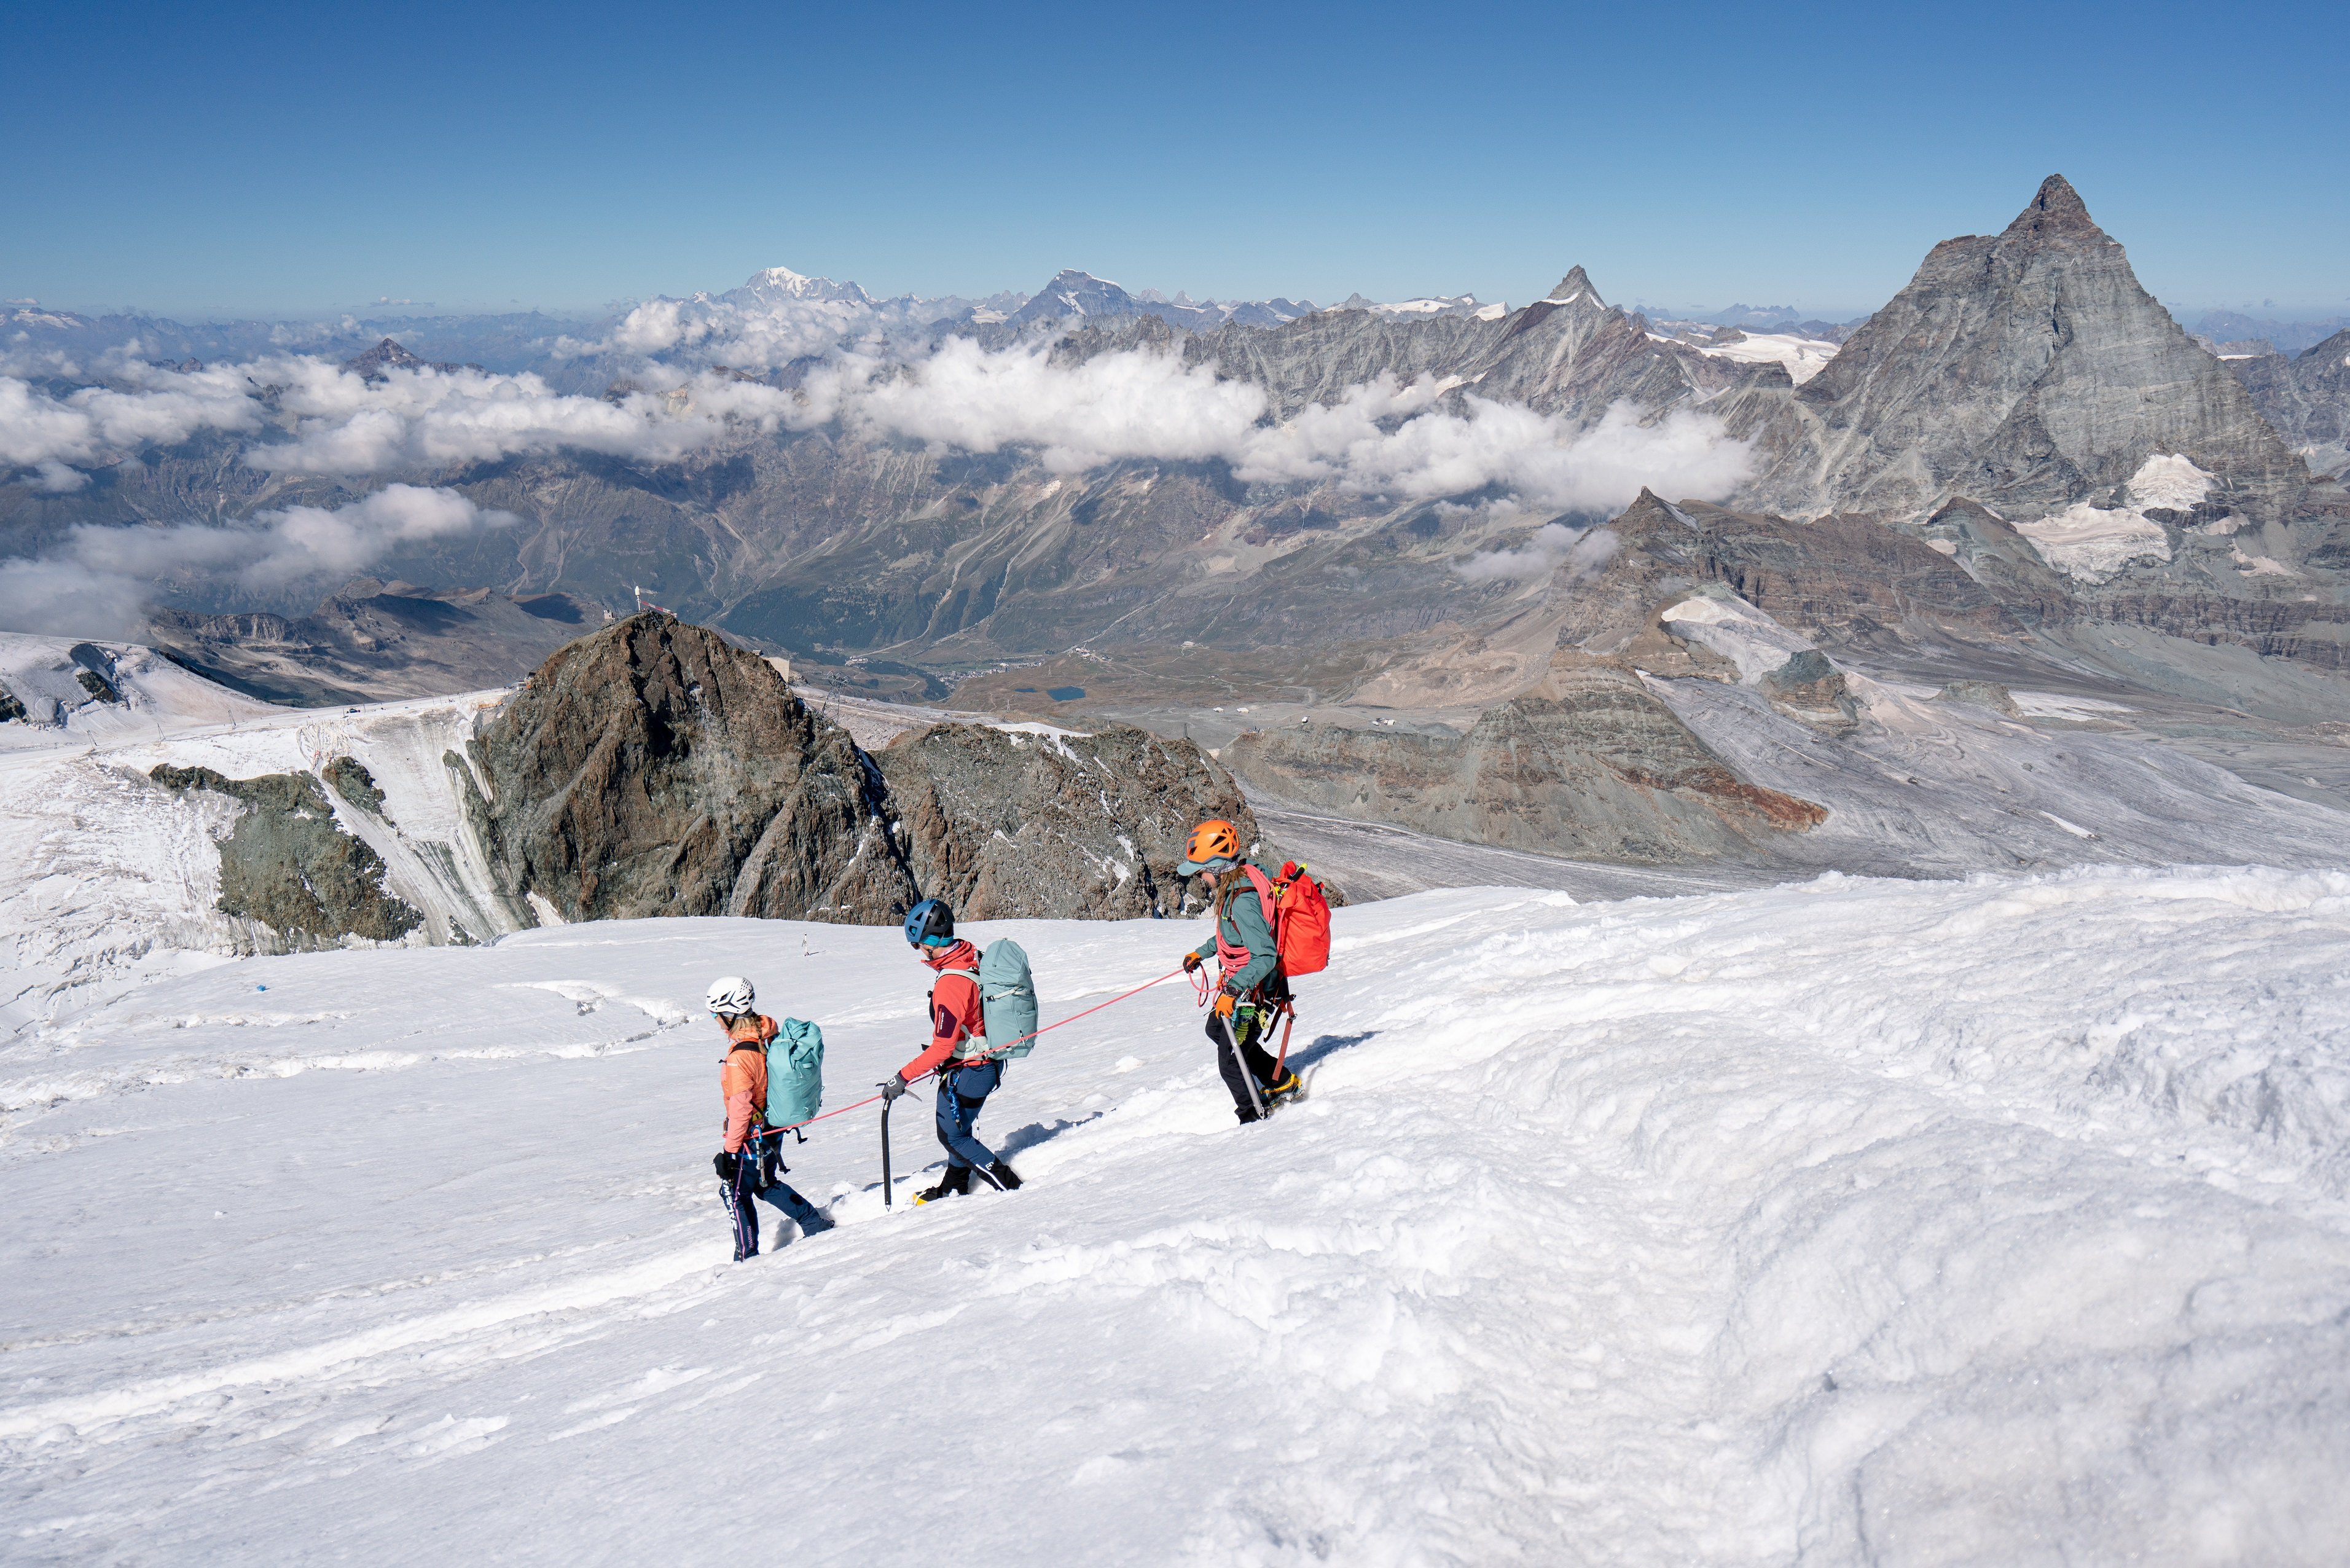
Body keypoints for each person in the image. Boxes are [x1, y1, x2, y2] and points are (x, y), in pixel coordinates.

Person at [880, 899, 1022, 1201]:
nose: (918, 951)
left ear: (929, 944)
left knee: (953, 1136)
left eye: (917, 945)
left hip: (972, 1070)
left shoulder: (951, 984)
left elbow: (943, 1046)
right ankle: (954, 1187)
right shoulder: (970, 955)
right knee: (960, 1129)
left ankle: (1012, 1188)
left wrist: (902, 1077)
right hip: (985, 1062)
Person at [1177, 819, 1304, 1124]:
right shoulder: (1238, 883)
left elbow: (1265, 955)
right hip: (1246, 986)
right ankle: (1280, 1081)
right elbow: (1231, 935)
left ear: (1219, 867)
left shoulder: (1242, 901)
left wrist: (1233, 991)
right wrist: (1202, 952)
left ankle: (1253, 1115)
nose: (1200, 878)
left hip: (1253, 993)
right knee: (1217, 1031)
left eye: (1202, 871)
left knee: (1231, 1063)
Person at [708, 975, 833, 1261]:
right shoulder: (767, 1034)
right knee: (764, 1183)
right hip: (771, 1126)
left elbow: (740, 1108)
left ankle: (747, 1256)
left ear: (729, 1015)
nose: (715, 1021)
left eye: (717, 1015)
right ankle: (814, 1223)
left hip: (750, 1135)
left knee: (734, 1192)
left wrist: (729, 1153)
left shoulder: (739, 1058)